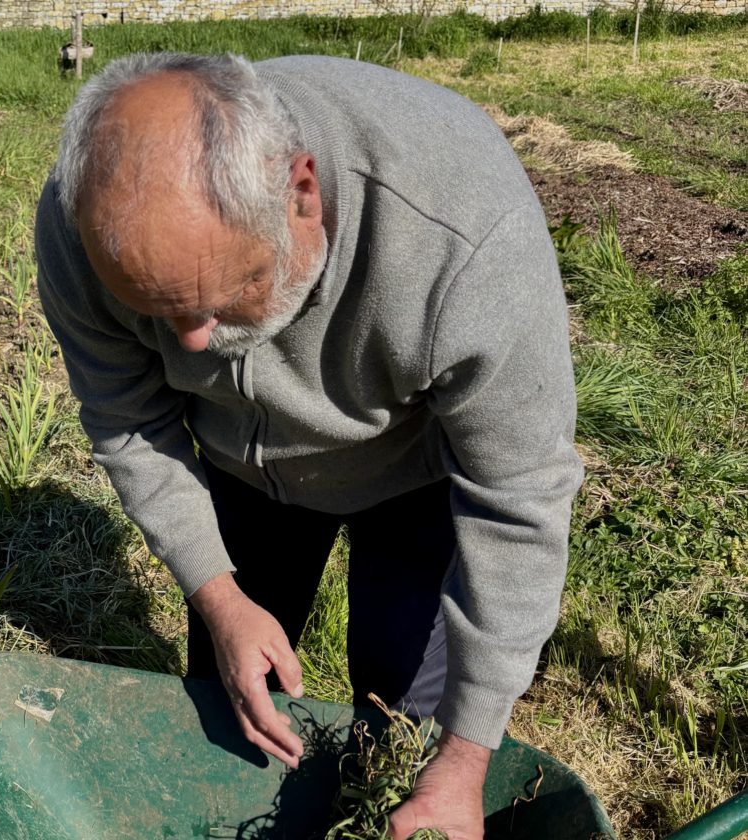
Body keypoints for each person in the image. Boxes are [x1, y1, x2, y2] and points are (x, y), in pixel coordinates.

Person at [35, 52, 582, 840]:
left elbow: (522, 501)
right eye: (154, 312)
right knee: (235, 706)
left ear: (301, 193)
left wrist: (463, 762)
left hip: (411, 469)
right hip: (240, 473)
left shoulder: (462, 233)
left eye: (221, 299)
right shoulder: (83, 223)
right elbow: (131, 421)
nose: (189, 343)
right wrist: (218, 599)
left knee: (401, 718)